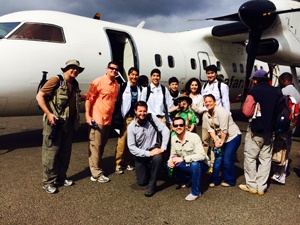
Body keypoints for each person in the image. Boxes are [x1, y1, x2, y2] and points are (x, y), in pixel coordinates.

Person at [36, 59, 85, 194]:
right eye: (72, 68)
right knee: (51, 153)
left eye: (77, 69)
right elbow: (39, 96)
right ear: (65, 69)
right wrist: (49, 114)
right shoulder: (55, 80)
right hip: (54, 123)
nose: (75, 70)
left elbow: (74, 98)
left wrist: (86, 96)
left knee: (65, 152)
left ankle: (61, 178)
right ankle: (48, 182)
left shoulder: (74, 83)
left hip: (68, 123)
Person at [240, 70, 281, 196]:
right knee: (266, 159)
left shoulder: (254, 91)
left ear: (256, 80)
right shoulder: (276, 92)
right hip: (270, 131)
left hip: (256, 130)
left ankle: (251, 185)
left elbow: (247, 112)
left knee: (250, 157)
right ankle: (261, 187)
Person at [85, 61, 119, 183]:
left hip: (107, 120)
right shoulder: (98, 81)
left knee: (101, 146)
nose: (114, 71)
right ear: (107, 69)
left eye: (116, 69)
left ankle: (96, 167)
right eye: (112, 68)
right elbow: (89, 99)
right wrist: (88, 116)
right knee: (95, 146)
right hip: (97, 119)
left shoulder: (116, 84)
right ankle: (96, 174)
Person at [127, 101, 170, 197]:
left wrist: (163, 147)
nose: (142, 114)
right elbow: (131, 147)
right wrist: (148, 153)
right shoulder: (131, 127)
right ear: (135, 111)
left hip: (154, 150)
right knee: (141, 182)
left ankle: (152, 185)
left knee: (158, 158)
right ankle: (150, 170)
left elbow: (165, 130)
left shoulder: (152, 118)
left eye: (144, 111)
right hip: (141, 154)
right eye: (140, 111)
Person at [202, 94, 241, 187]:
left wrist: (221, 142)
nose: (208, 103)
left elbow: (224, 129)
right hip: (220, 138)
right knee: (218, 159)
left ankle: (230, 180)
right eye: (206, 102)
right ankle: (214, 180)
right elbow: (210, 129)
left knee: (227, 159)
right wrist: (216, 140)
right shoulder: (206, 114)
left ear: (215, 102)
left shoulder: (222, 112)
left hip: (232, 137)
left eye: (210, 101)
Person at [167, 117, 209, 201]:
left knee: (195, 164)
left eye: (181, 125)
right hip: (187, 164)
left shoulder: (194, 137)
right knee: (168, 166)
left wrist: (183, 158)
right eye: (176, 125)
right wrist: (170, 161)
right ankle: (187, 180)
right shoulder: (173, 138)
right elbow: (173, 154)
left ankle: (196, 192)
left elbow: (202, 155)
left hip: (201, 164)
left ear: (185, 126)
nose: (178, 127)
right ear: (173, 127)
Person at [271, 72, 300, 184]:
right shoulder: (297, 93)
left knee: (280, 149)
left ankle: (279, 174)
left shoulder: (283, 92)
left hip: (283, 126)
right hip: (292, 126)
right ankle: (282, 174)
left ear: (284, 80)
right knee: (286, 150)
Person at [114, 67, 141, 174]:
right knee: (122, 142)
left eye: (136, 75)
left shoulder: (139, 88)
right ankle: (118, 163)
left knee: (132, 142)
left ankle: (128, 162)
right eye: (132, 74)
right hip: (125, 118)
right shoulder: (123, 86)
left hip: (135, 119)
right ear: (129, 75)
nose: (134, 77)